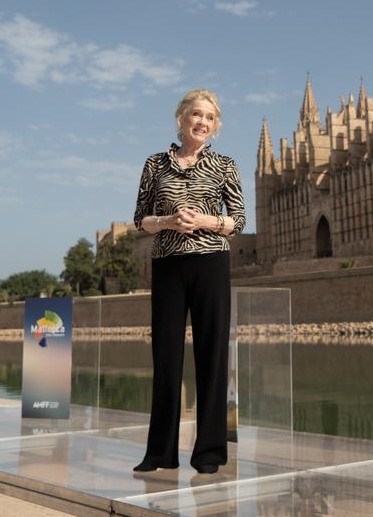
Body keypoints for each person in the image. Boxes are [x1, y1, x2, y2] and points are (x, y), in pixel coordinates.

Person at [132, 88, 245, 475]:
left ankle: (209, 452)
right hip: (167, 265)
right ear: (181, 119)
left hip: (211, 263)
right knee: (165, 357)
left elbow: (238, 221)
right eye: (197, 114)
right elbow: (140, 220)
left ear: (215, 127)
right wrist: (166, 221)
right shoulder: (154, 164)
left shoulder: (226, 165)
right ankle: (160, 452)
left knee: (212, 357)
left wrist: (206, 222)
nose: (202, 122)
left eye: (210, 118)